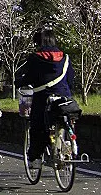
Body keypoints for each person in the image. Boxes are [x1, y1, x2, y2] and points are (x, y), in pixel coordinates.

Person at [15, 28, 75, 169]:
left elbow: (27, 77)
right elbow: (71, 79)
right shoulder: (65, 58)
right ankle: (67, 145)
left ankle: (35, 158)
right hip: (64, 97)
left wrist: (19, 82)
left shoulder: (35, 58)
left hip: (44, 97)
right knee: (66, 119)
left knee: (37, 126)